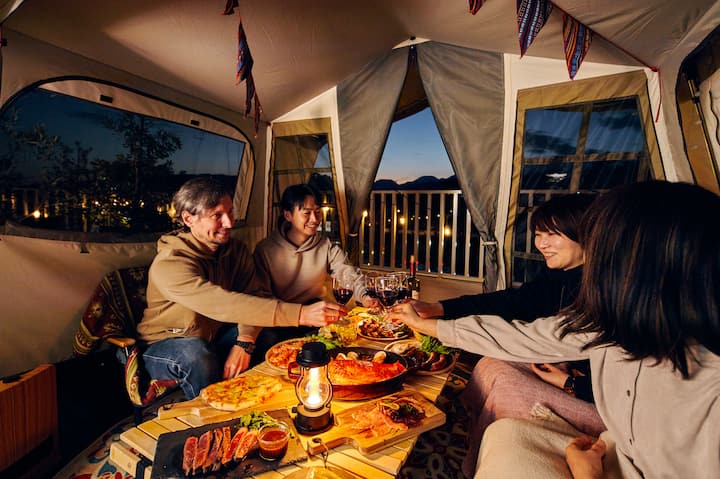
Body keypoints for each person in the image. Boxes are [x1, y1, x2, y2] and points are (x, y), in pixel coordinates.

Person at [389, 180, 720, 478]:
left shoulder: (708, 392)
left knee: (506, 384)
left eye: (603, 250)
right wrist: (437, 318)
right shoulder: (612, 321)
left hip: (599, 439)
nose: (595, 265)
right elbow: (525, 322)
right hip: (612, 447)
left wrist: (588, 470)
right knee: (501, 416)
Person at [408, 193, 603, 477]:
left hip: (594, 398)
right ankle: (477, 442)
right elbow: (511, 301)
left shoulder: (603, 291)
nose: (541, 244)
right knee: (491, 363)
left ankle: (486, 459)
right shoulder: (560, 274)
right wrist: (440, 308)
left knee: (507, 388)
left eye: (552, 235)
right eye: (538, 235)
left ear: (585, 233)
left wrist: (570, 383)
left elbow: (625, 385)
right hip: (561, 367)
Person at [137, 177, 346, 399]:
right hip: (166, 344)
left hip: (214, 336)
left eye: (230, 212)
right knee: (196, 355)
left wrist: (245, 340)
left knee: (269, 336)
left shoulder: (234, 251)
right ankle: (211, 412)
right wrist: (301, 314)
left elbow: (256, 295)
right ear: (189, 219)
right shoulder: (170, 264)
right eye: (217, 216)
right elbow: (223, 303)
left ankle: (258, 397)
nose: (229, 223)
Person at [245, 184, 380, 359]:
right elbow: (260, 297)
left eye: (317, 212)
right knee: (269, 341)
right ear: (288, 215)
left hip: (314, 316)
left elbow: (346, 272)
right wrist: (296, 314)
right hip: (280, 319)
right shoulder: (265, 250)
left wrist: (365, 296)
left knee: (348, 337)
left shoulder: (325, 245)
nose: (315, 219)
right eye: (306, 213)